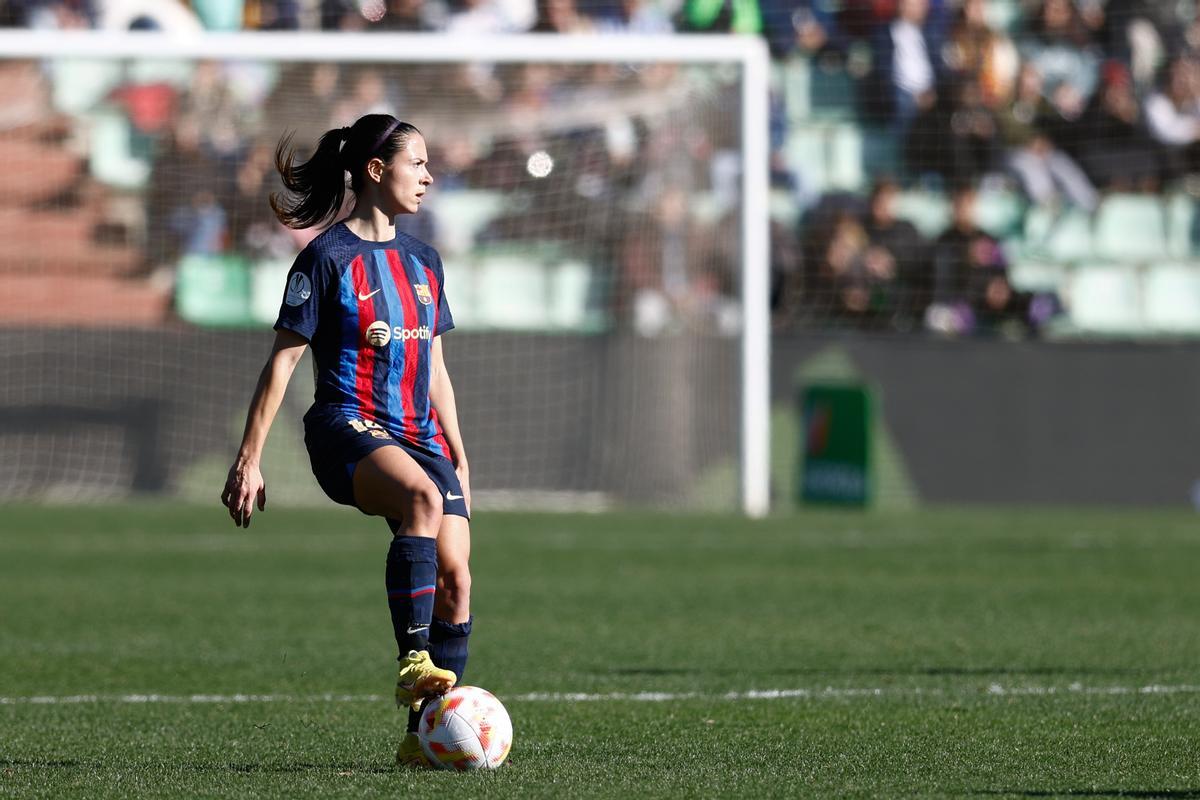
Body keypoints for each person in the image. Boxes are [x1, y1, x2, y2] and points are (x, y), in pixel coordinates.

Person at [220, 114, 473, 769]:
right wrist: (249, 460)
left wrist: (459, 451)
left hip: (420, 437)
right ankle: (413, 661)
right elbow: (283, 361)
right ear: (375, 169)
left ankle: (424, 739)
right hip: (345, 427)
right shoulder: (325, 258)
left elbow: (436, 367)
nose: (429, 175)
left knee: (457, 581)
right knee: (419, 497)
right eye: (417, 162)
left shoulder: (425, 260)